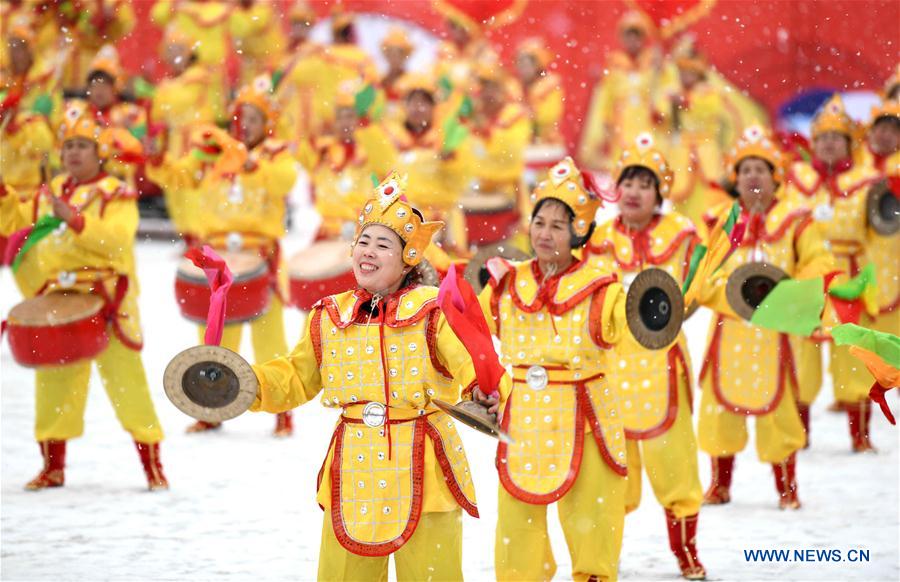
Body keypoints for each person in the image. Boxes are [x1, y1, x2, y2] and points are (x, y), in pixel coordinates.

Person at [249, 173, 509, 579]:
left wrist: (487, 393)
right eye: (363, 241)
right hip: (353, 471)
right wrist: (246, 385)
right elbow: (295, 378)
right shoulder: (329, 316)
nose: (368, 251)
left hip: (426, 471)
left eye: (383, 244)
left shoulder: (433, 310)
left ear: (408, 257)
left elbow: (474, 363)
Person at [480, 157, 654, 581]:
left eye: (559, 225)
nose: (545, 233)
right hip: (523, 415)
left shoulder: (602, 284)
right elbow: (472, 338)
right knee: (517, 520)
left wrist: (654, 305)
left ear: (579, 231)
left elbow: (630, 326)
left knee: (592, 513)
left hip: (586, 411)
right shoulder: (506, 282)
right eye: (540, 222)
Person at [1, 107, 167, 491]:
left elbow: (117, 238)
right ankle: (52, 466)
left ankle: (152, 465)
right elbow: (14, 219)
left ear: (98, 154)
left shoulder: (116, 193)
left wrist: (76, 220)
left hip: (107, 299)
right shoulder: (53, 190)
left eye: (82, 146)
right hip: (60, 296)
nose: (74, 153)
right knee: (53, 382)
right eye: (69, 146)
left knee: (128, 384)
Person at [147, 75, 297, 436]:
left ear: (268, 124)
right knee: (213, 336)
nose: (245, 125)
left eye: (254, 118)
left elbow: (284, 181)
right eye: (241, 117)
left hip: (259, 254)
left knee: (269, 341)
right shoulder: (214, 153)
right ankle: (211, 407)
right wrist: (155, 155)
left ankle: (281, 412)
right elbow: (178, 176)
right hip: (217, 259)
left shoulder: (275, 155)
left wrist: (249, 163)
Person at [587, 135, 706, 580]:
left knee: (675, 464)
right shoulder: (597, 239)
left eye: (645, 183)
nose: (634, 191)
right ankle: (601, 559)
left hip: (662, 368)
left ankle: (687, 552)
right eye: (627, 182)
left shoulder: (683, 237)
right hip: (610, 367)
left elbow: (701, 284)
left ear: (660, 192)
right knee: (609, 472)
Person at [698, 126, 834, 509]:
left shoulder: (796, 220)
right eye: (745, 170)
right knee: (718, 412)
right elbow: (702, 274)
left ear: (775, 178)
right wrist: (733, 296)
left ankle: (787, 488)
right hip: (729, 333)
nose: (753, 177)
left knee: (781, 414)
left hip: (776, 336)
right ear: (735, 179)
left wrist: (791, 294)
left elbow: (818, 264)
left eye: (761, 169)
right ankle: (719, 484)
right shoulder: (719, 221)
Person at [783, 95, 882, 452]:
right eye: (822, 138)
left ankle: (860, 435)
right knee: (801, 358)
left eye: (836, 139)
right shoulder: (796, 179)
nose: (828, 144)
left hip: (848, 278)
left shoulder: (868, 181)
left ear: (848, 144)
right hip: (807, 280)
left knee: (852, 356)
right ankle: (800, 434)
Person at [579, 10, 676, 172]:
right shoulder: (614, 63)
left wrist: (661, 106)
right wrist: (604, 121)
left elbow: (667, 90)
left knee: (650, 165)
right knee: (623, 168)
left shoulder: (654, 61)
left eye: (636, 35)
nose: (632, 40)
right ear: (622, 38)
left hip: (648, 122)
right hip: (621, 124)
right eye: (628, 35)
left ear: (643, 38)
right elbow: (604, 97)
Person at [858, 98, 899, 341]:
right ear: (871, 130)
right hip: (858, 266)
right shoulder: (854, 162)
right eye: (883, 128)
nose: (887, 135)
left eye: (895, 130)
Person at [515, 37, 564, 147]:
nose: (522, 68)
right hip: (522, 144)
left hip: (545, 145)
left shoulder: (549, 85)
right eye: (520, 63)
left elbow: (547, 118)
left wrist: (525, 117)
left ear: (537, 65)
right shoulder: (516, 85)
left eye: (526, 64)